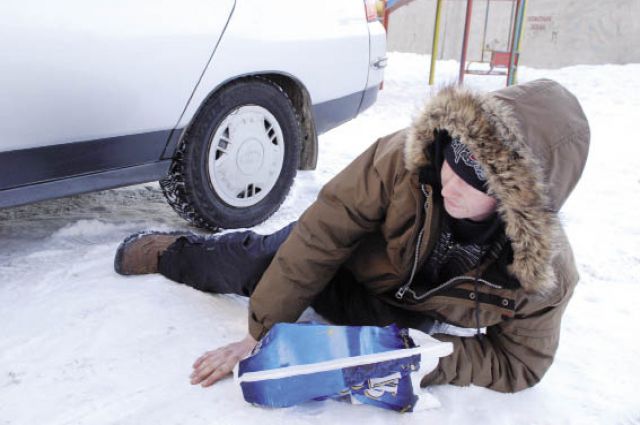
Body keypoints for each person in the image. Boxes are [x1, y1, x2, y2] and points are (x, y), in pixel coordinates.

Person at [114, 79, 590, 393]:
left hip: (399, 313)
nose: (450, 181)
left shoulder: (544, 276)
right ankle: (173, 254)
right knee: (255, 264)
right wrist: (264, 332)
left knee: (349, 359)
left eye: (476, 179)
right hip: (342, 257)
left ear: (519, 203)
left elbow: (520, 363)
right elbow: (322, 233)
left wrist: (428, 359)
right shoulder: (402, 162)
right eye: (453, 158)